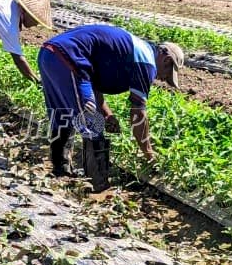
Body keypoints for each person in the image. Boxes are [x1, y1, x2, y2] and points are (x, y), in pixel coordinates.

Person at [37, 23, 184, 177]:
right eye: (167, 75)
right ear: (166, 61)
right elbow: (138, 115)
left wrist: (107, 114)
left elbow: (93, 84)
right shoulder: (146, 62)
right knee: (92, 122)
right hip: (69, 56)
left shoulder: (136, 49)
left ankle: (61, 171)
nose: (162, 79)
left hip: (49, 53)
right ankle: (97, 180)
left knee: (63, 115)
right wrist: (149, 154)